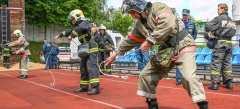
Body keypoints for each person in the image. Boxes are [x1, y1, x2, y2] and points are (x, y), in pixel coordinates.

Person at [105, 0, 209, 109]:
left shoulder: (158, 7)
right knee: (145, 75)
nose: (132, 16)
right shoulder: (139, 25)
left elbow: (168, 24)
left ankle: (203, 106)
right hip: (166, 49)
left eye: (132, 12)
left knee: (188, 77)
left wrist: (149, 41)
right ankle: (153, 105)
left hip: (183, 43)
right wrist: (115, 55)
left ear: (139, 8)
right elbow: (129, 40)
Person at [54, 9, 100, 95]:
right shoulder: (78, 26)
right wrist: (61, 35)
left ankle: (95, 87)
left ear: (77, 17)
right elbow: (70, 31)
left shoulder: (84, 23)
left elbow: (79, 29)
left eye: (73, 18)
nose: (72, 20)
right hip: (84, 48)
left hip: (91, 48)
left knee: (91, 67)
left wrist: (72, 35)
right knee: (83, 67)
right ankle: (84, 87)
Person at [205, 3, 236, 90]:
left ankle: (215, 84)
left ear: (222, 9)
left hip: (220, 43)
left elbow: (207, 26)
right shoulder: (231, 20)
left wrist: (213, 30)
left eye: (218, 9)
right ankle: (229, 83)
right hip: (229, 43)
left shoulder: (219, 18)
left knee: (216, 63)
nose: (217, 11)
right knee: (227, 63)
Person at [176, 9, 197, 85]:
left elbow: (195, 34)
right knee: (179, 61)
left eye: (185, 15)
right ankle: (178, 79)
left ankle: (188, 79)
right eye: (183, 15)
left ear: (188, 15)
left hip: (189, 46)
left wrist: (191, 40)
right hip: (180, 45)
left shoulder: (192, 24)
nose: (184, 16)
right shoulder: (178, 23)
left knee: (189, 62)